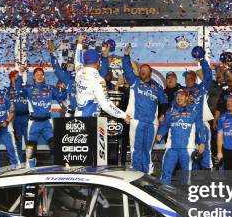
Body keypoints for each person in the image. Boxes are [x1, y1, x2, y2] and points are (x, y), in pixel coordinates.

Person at [122, 44, 167, 174]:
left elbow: (164, 101)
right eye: (141, 69)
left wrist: (162, 114)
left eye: (145, 70)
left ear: (150, 73)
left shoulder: (157, 86)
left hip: (152, 123)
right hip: (137, 120)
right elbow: (127, 69)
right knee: (137, 149)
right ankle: (135, 174)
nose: (142, 71)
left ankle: (147, 174)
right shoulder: (135, 81)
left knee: (147, 149)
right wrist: (126, 56)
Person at [18, 67, 67, 168]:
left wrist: (63, 89)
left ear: (44, 76)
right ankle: (30, 172)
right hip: (34, 124)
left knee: (55, 147)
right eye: (37, 75)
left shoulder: (50, 88)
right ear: (33, 77)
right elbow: (18, 90)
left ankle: (56, 168)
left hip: (47, 123)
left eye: (41, 75)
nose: (40, 76)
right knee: (30, 150)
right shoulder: (29, 88)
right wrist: (20, 74)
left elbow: (61, 98)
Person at [49, 36, 110, 116]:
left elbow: (103, 72)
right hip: (70, 115)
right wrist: (52, 53)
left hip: (88, 115)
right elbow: (57, 69)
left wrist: (105, 57)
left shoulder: (93, 78)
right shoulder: (69, 80)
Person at [157, 89, 206, 185]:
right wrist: (160, 134)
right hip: (171, 148)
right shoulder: (170, 111)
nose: (179, 97)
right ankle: (163, 196)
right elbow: (165, 126)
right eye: (177, 96)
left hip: (187, 149)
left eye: (182, 95)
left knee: (186, 176)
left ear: (187, 97)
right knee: (166, 173)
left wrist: (202, 142)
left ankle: (185, 197)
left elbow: (200, 129)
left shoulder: (194, 112)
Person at [74, 45, 130, 122]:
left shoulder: (79, 72)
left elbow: (77, 61)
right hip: (90, 120)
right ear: (98, 62)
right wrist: (124, 115)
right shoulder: (98, 80)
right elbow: (106, 106)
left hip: (77, 117)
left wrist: (79, 44)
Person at [184, 46, 214, 170]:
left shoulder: (201, 89)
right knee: (190, 150)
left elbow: (208, 76)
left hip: (202, 123)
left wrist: (202, 60)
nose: (188, 79)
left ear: (195, 78)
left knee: (205, 150)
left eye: (191, 77)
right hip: (187, 125)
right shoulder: (181, 92)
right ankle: (192, 177)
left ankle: (207, 177)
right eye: (186, 78)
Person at [7, 70, 29, 162]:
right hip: (15, 119)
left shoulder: (24, 88)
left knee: (29, 141)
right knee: (18, 141)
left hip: (26, 117)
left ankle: (30, 161)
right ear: (11, 78)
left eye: (18, 76)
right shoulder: (7, 91)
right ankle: (19, 162)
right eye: (16, 76)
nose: (18, 78)